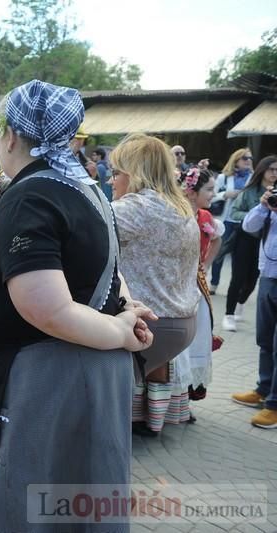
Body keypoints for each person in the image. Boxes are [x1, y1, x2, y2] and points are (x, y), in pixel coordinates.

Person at [0, 80, 154, 532]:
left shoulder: (32, 194)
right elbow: (108, 271)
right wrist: (120, 316)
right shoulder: (85, 188)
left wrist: (121, 329)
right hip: (84, 366)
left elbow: (48, 309)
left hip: (47, 380)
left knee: (21, 503)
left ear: (10, 136)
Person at [111, 133, 200, 437]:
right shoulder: (181, 205)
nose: (111, 181)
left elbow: (79, 232)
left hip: (151, 323)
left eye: (116, 172)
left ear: (134, 173)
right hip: (184, 323)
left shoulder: (134, 207)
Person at [172, 168, 224, 410]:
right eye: (209, 189)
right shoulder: (174, 214)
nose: (214, 194)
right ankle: (167, 401)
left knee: (197, 340)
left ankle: (184, 400)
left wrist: (205, 264)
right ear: (192, 192)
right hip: (175, 288)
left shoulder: (205, 217)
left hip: (197, 288)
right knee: (177, 345)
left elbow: (217, 238)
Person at [232, 157, 277, 429]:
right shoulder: (269, 199)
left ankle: (274, 404)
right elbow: (249, 227)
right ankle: (264, 389)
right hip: (269, 275)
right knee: (265, 338)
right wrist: (264, 207)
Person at [219, 155, 276, 331]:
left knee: (252, 281)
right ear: (263, 170)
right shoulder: (249, 191)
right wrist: (256, 215)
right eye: (271, 169)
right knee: (238, 278)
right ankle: (229, 314)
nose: (274, 173)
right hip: (245, 238)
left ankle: (240, 303)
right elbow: (234, 213)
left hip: (267, 243)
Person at [210, 148, 254, 294]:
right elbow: (211, 195)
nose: (248, 161)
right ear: (236, 160)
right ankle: (214, 284)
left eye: (250, 158)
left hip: (243, 222)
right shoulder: (224, 177)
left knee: (239, 257)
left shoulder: (253, 178)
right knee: (219, 254)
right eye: (245, 158)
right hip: (226, 220)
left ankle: (234, 287)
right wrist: (225, 194)